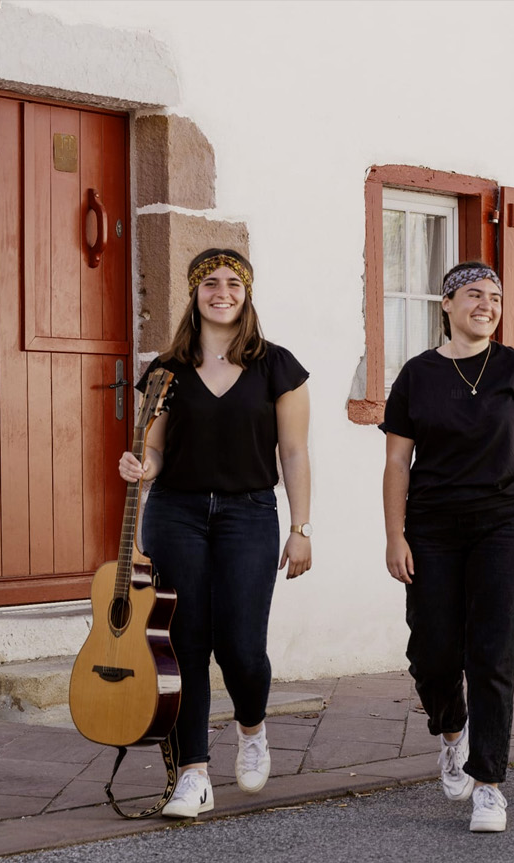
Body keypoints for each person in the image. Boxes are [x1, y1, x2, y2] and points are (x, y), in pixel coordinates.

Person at [118, 247, 313, 819]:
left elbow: (294, 451)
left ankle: (251, 728)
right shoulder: (166, 369)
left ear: (246, 293)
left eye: (233, 283)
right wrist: (143, 467)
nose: (221, 293)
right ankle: (193, 775)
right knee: (182, 644)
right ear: (194, 293)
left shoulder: (277, 366)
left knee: (241, 647)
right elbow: (155, 450)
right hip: (175, 513)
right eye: (210, 283)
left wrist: (300, 527)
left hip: (249, 514)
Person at [380, 260, 514, 833]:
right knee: (431, 653)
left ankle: (489, 784)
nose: (487, 305)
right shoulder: (416, 374)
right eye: (475, 294)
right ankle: (452, 731)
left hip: (506, 524)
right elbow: (396, 462)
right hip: (432, 527)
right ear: (447, 304)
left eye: (495, 297)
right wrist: (394, 535)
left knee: (492, 654)